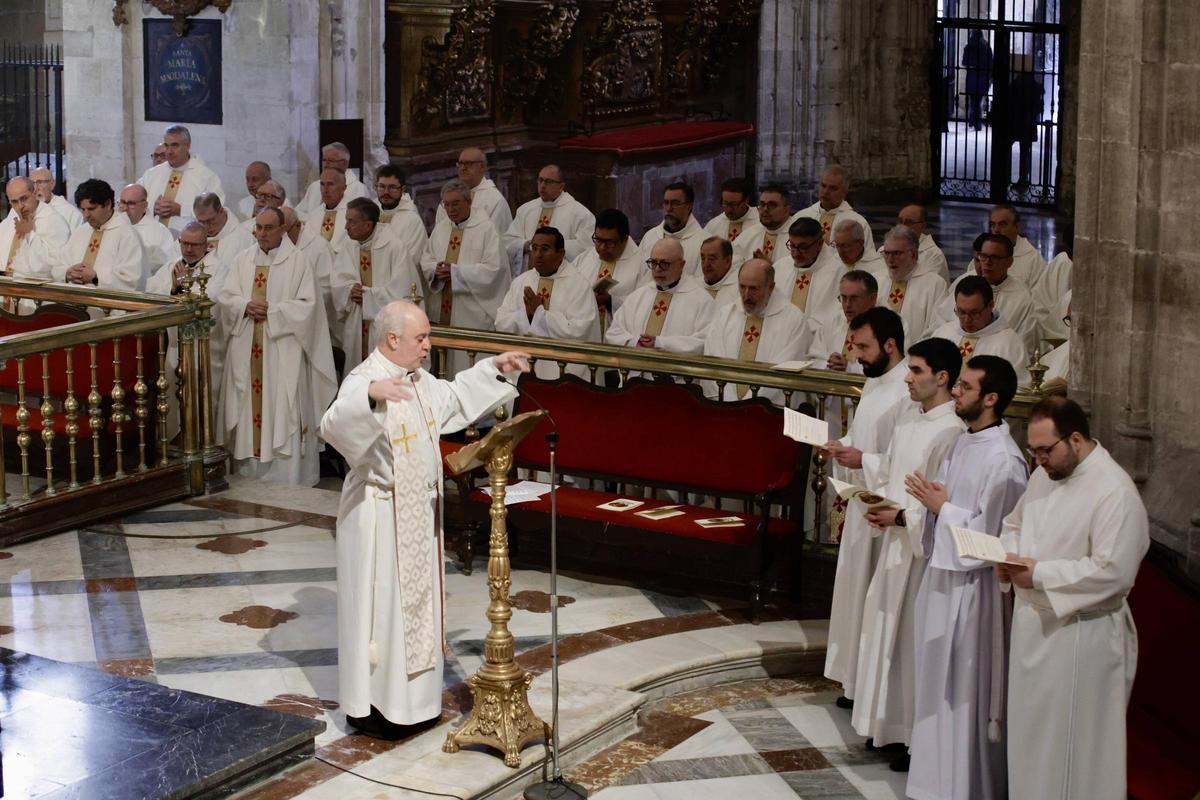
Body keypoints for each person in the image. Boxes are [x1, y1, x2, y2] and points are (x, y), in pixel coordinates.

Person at [318, 300, 529, 740]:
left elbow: (452, 398)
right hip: (378, 517)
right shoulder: (365, 378)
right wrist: (371, 399)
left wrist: (496, 368)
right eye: (421, 338)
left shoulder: (418, 381)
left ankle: (413, 706)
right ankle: (373, 707)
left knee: (413, 614)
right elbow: (333, 423)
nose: (428, 347)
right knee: (380, 615)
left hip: (417, 513)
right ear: (392, 339)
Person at [998, 396, 1148, 800]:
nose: (1039, 460)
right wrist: (1008, 557)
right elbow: (1015, 522)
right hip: (1035, 627)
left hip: (1082, 637)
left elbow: (1113, 572)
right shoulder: (1046, 475)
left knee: (1073, 751)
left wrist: (1039, 574)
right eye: (1034, 451)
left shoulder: (1114, 491)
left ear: (1077, 439)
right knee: (1033, 739)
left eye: (1046, 450)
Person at [905, 355, 1028, 800]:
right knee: (935, 684)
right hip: (942, 578)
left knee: (962, 692)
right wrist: (931, 508)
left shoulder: (1006, 463)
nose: (954, 391)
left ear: (991, 398)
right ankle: (933, 783)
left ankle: (966, 788)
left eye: (965, 387)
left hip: (974, 594)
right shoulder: (964, 441)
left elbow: (992, 541)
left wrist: (943, 509)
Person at [850, 337, 967, 764]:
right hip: (896, 548)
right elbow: (892, 474)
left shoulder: (951, 431)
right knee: (885, 638)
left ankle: (911, 735)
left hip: (921, 554)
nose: (908, 378)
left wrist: (903, 518)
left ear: (942, 377)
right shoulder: (910, 422)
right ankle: (885, 727)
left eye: (916, 371)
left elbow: (942, 498)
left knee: (911, 645)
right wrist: (876, 500)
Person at [821, 307, 912, 705]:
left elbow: (903, 457)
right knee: (852, 596)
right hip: (861, 502)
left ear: (890, 345)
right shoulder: (875, 381)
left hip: (885, 510)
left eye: (864, 346)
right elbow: (864, 436)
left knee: (872, 601)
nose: (856, 354)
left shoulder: (907, 392)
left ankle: (869, 688)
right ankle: (852, 679)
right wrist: (842, 446)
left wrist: (865, 461)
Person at [214, 208, 338, 486]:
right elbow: (226, 297)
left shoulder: (299, 262)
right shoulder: (242, 260)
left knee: (283, 407)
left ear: (283, 229)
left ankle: (287, 474)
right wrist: (244, 306)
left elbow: (309, 307)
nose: (262, 234)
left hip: (283, 353)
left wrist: (273, 311)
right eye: (258, 227)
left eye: (269, 228)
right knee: (249, 405)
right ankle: (249, 472)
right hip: (247, 350)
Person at [421, 179, 509, 375]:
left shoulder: (486, 229)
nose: (450, 209)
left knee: (466, 371)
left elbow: (495, 270)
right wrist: (436, 270)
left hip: (470, 316)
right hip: (442, 311)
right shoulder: (442, 227)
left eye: (456, 204)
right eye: (446, 205)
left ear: (469, 202)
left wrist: (456, 272)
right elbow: (426, 258)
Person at [331, 198, 428, 373]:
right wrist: (348, 289)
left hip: (384, 327)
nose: (346, 227)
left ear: (368, 225)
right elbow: (338, 280)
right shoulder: (348, 244)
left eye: (351, 221)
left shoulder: (394, 247)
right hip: (356, 324)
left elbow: (404, 293)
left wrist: (368, 296)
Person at [702, 258, 815, 404]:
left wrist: (749, 404)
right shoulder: (725, 315)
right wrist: (731, 402)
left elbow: (785, 368)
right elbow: (714, 359)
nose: (746, 295)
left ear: (771, 287)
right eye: (742, 287)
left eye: (754, 289)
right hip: (725, 408)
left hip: (770, 411)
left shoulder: (793, 319)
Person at [495, 226, 599, 379]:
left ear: (561, 254)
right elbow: (500, 322)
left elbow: (580, 330)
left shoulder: (578, 286)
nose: (537, 255)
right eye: (534, 248)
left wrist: (539, 315)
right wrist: (527, 316)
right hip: (524, 370)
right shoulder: (521, 282)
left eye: (545, 249)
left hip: (562, 373)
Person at [607, 237, 715, 354]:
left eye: (664, 263)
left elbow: (705, 341)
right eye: (653, 263)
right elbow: (614, 331)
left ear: (681, 265)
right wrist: (636, 341)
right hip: (637, 370)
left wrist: (660, 343)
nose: (658, 269)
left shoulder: (701, 300)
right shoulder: (638, 296)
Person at [936, 233, 1040, 354]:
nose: (987, 263)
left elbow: (1024, 345)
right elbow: (941, 322)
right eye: (983, 256)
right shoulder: (965, 283)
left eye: (994, 257)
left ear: (1010, 262)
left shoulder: (1021, 297)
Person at [928, 276, 1030, 385]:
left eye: (974, 313)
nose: (967, 320)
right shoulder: (943, 333)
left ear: (990, 305)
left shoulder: (1009, 343)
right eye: (961, 312)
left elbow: (1019, 389)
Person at [54, 179, 146, 291]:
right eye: (83, 209)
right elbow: (58, 265)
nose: (86, 215)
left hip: (108, 306)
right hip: (75, 302)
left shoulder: (127, 234)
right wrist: (67, 273)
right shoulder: (81, 231)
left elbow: (132, 281)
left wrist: (96, 278)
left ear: (108, 204)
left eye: (91, 209)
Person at [504, 164, 594, 273]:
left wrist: (552, 246)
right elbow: (508, 241)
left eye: (548, 181)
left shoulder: (580, 213)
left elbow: (587, 249)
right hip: (528, 277)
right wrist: (526, 245)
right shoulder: (526, 210)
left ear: (561, 186)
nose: (542, 185)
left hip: (562, 279)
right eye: (540, 180)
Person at [569, 209, 645, 337]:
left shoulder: (642, 265)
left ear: (625, 239)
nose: (602, 248)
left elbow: (644, 306)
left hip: (619, 345)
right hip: (586, 340)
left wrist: (611, 302)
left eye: (609, 243)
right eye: (598, 240)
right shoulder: (584, 259)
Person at [138, 124, 225, 232]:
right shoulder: (151, 174)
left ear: (188, 146)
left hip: (188, 243)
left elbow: (217, 213)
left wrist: (180, 210)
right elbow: (132, 203)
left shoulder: (206, 177)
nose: (169, 151)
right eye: (166, 145)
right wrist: (152, 208)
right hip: (153, 239)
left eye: (175, 145)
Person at [1, 177, 71, 295]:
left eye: (24, 198)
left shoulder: (54, 222)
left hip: (36, 297)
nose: (20, 206)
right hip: (6, 294)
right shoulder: (6, 224)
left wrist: (29, 234)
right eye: (14, 202)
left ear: (34, 192)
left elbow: (52, 268)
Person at [876, 225, 947, 340]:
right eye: (886, 253)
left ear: (914, 254)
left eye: (896, 253)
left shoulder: (935, 285)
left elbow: (937, 327)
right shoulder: (876, 280)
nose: (890, 259)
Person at [434, 147, 513, 235]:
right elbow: (439, 235)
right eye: (460, 164)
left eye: (468, 163)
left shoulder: (494, 200)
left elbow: (497, 238)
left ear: (482, 167)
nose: (463, 168)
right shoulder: (449, 198)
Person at [810, 270, 878, 372]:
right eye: (843, 298)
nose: (847, 305)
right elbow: (813, 360)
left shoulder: (888, 326)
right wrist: (829, 364)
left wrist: (850, 368)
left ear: (872, 298)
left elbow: (890, 369)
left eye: (854, 298)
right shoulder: (831, 322)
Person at [795, 165, 875, 251]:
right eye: (823, 186)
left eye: (833, 188)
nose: (826, 192)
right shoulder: (801, 217)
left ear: (844, 192)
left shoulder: (857, 222)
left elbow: (867, 258)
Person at [775, 217, 841, 321]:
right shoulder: (779, 267)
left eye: (803, 247)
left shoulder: (838, 272)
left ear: (819, 244)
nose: (796, 253)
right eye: (792, 246)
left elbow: (836, 316)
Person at [638, 182, 706, 277]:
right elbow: (639, 276)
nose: (669, 209)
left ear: (689, 206)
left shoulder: (703, 242)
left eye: (675, 203)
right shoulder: (650, 236)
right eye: (666, 203)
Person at [373, 165, 429, 262]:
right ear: (375, 187)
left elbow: (412, 258)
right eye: (382, 186)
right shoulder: (370, 211)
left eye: (392, 187)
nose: (386, 192)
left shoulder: (411, 220)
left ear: (402, 190)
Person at [295, 142, 366, 218]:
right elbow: (297, 213)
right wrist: (313, 221)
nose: (326, 164)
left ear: (344, 163)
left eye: (331, 161)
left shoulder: (358, 188)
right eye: (324, 160)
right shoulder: (314, 186)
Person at [882, 204, 948, 283]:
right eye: (900, 221)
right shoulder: (884, 249)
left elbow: (929, 286)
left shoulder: (934, 255)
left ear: (923, 226)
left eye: (908, 222)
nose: (902, 226)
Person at [988, 204, 1047, 291]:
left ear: (1017, 227)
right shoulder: (983, 255)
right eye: (993, 225)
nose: (996, 230)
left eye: (1002, 224)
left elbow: (1038, 297)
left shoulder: (1033, 259)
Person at [119, 183, 178, 268]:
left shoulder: (159, 231)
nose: (125, 208)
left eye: (131, 203)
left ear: (144, 206)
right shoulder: (113, 226)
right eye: (122, 202)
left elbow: (166, 265)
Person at [736, 184, 792, 264]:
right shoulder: (749, 234)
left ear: (786, 210)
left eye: (772, 205)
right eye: (762, 204)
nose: (765, 209)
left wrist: (770, 267)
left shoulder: (798, 237)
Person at [301, 169, 353, 252]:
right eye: (322, 184)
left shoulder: (354, 213)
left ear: (343, 188)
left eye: (330, 184)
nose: (325, 190)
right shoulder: (314, 215)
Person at [1009, 69, 1044, 190]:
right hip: (1028, 123)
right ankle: (1023, 179)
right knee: (1025, 152)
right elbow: (1039, 108)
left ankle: (1004, 177)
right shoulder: (1036, 86)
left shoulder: (1015, 84)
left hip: (1015, 121)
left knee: (1006, 148)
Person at [195, 192, 255, 263]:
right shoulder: (190, 236)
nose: (206, 227)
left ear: (221, 211)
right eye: (201, 222)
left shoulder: (244, 238)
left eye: (211, 220)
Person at [703, 177, 760, 248]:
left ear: (746, 200)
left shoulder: (759, 221)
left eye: (734, 204)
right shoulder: (714, 225)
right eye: (725, 203)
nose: (729, 210)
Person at [29, 167, 83, 232]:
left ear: (52, 184)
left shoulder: (71, 213)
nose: (35, 188)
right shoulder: (24, 210)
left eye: (40, 182)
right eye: (32, 184)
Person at [962, 30, 993, 131]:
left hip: (972, 76)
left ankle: (972, 121)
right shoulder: (986, 47)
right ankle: (977, 121)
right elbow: (991, 63)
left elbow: (964, 62)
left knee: (973, 101)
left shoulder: (969, 47)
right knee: (979, 101)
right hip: (983, 77)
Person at [698, 236, 738, 302]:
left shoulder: (739, 290)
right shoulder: (694, 286)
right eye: (703, 258)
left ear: (728, 261)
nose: (706, 264)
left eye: (712, 259)